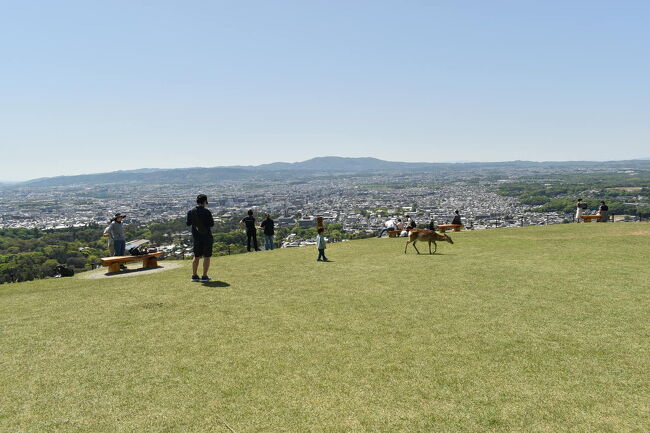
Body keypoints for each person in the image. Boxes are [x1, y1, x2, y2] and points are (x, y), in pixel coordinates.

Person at [186, 194, 214, 282]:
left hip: (196, 237)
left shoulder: (191, 211)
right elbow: (211, 224)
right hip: (206, 237)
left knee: (196, 256)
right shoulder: (207, 212)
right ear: (205, 201)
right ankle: (204, 276)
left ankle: (194, 275)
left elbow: (188, 223)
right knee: (207, 256)